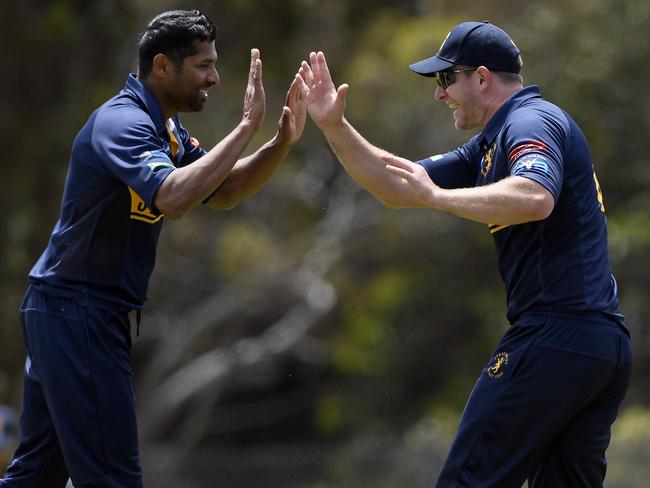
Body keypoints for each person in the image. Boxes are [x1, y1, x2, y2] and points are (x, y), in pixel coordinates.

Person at [297, 21, 632, 488]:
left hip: (555, 336)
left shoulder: (527, 122)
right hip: (601, 345)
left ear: (480, 77)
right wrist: (334, 126)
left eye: (444, 79)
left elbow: (535, 196)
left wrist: (437, 199)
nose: (439, 95)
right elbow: (398, 186)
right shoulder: (491, 140)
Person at [1, 9, 305, 488]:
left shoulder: (165, 128)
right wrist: (244, 127)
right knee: (114, 478)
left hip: (70, 311)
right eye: (203, 65)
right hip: (79, 311)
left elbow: (219, 191)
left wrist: (279, 143)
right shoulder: (121, 122)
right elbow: (172, 197)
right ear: (163, 66)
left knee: (36, 476)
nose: (215, 77)